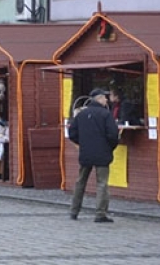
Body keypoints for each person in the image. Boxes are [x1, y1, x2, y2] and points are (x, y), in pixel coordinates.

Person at [68, 88, 120, 223]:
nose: (107, 100)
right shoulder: (105, 114)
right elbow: (113, 134)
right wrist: (110, 147)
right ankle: (100, 213)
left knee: (80, 181)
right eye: (104, 98)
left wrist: (82, 144)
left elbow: (72, 133)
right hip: (102, 153)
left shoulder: (81, 114)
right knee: (102, 183)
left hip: (85, 153)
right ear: (99, 99)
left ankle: (74, 211)